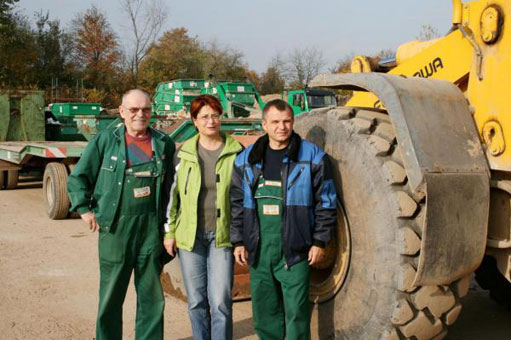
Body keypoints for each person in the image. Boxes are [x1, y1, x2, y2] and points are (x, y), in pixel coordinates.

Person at [67, 89, 175, 340]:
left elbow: (171, 188)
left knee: (151, 297)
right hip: (115, 229)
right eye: (134, 109)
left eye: (146, 109)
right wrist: (84, 209)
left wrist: (169, 228)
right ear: (122, 111)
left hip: (150, 230)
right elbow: (79, 177)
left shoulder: (163, 142)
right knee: (111, 295)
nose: (140, 114)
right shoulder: (106, 140)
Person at [230, 99, 337, 340]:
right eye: (276, 122)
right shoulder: (245, 160)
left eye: (287, 121)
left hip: (296, 249)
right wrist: (238, 241)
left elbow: (327, 202)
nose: (282, 127)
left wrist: (320, 242)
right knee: (265, 312)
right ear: (264, 124)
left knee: (297, 313)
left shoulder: (314, 157)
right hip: (259, 249)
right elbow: (237, 203)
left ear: (293, 122)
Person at [163, 94, 242, 340]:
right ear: (194, 121)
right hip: (190, 237)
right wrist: (169, 232)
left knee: (220, 301)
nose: (211, 121)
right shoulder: (182, 154)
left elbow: (244, 198)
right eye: (205, 116)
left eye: (215, 115)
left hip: (222, 236)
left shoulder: (237, 152)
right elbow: (171, 197)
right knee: (196, 300)